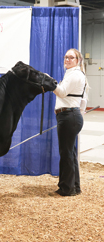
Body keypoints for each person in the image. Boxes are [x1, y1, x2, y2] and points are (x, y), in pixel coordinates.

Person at [52, 48, 89, 196]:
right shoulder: (75, 74)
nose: (67, 60)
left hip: (68, 116)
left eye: (71, 57)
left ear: (78, 60)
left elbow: (61, 92)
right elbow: (83, 100)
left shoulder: (74, 75)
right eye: (66, 57)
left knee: (66, 153)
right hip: (71, 116)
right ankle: (74, 186)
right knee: (70, 153)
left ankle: (67, 189)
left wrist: (50, 83)